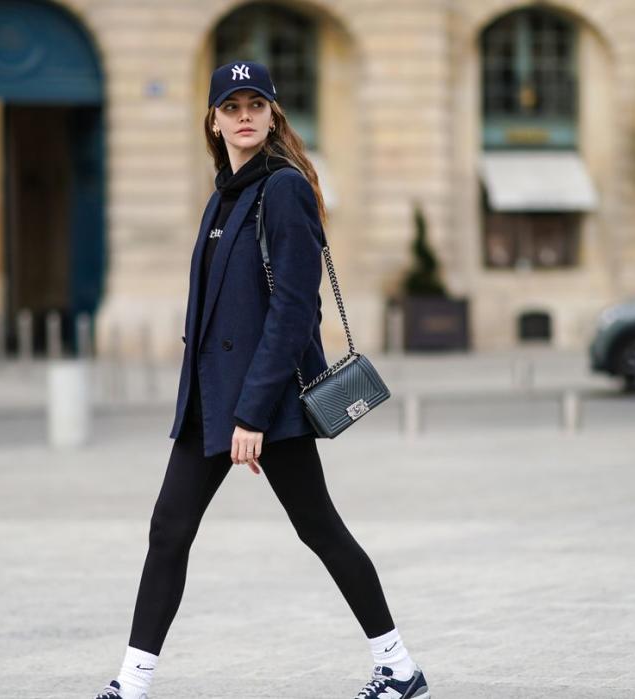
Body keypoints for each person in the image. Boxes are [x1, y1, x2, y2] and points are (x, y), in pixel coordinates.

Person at [93, 60, 429, 699]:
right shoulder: (223, 195)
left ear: (273, 114)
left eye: (256, 103)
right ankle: (131, 684)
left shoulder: (283, 189)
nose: (244, 115)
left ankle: (400, 669)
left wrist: (252, 412)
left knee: (318, 527)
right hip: (208, 399)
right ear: (213, 121)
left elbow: (296, 309)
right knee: (168, 531)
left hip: (265, 402)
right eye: (231, 106)